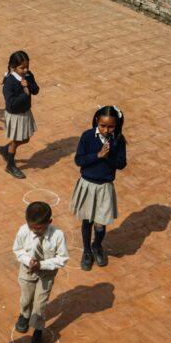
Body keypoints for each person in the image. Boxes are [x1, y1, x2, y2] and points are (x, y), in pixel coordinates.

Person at [71, 105, 128, 271]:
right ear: (97, 121)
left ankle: (97, 245)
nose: (106, 130)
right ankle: (87, 251)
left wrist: (108, 157)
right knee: (87, 221)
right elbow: (79, 160)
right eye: (103, 125)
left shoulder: (118, 140)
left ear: (116, 125)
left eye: (110, 126)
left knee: (101, 223)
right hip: (88, 185)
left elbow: (121, 164)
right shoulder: (88, 136)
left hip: (104, 187)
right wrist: (97, 155)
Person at [12, 202, 68, 343]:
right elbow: (17, 250)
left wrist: (42, 264)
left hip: (47, 273)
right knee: (26, 298)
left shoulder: (58, 235)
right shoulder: (24, 231)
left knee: (40, 304)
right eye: (32, 227)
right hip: (27, 271)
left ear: (49, 222)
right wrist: (28, 261)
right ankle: (24, 315)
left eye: (39, 228)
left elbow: (62, 258)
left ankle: (37, 331)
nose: (35, 231)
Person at [0, 51, 40, 179]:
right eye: (22, 68)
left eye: (27, 66)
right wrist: (25, 94)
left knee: (25, 138)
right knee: (16, 140)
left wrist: (29, 86)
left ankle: (6, 149)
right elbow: (10, 103)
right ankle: (10, 165)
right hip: (15, 115)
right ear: (13, 67)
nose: (25, 70)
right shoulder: (9, 82)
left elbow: (36, 90)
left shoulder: (28, 75)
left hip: (25, 112)